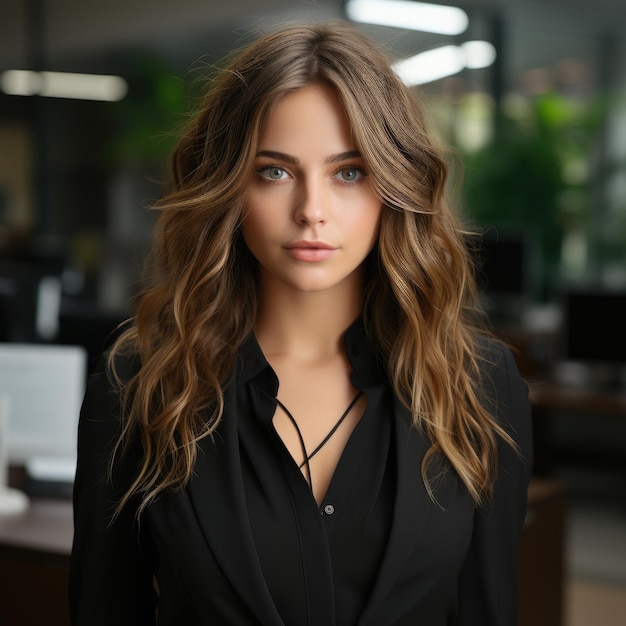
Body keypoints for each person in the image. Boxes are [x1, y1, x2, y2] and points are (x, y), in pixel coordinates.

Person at [69, 21, 532, 626]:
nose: (312, 210)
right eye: (275, 171)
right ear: (229, 187)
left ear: (395, 185)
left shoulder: (482, 386)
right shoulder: (138, 387)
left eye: (349, 172)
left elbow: (486, 611)